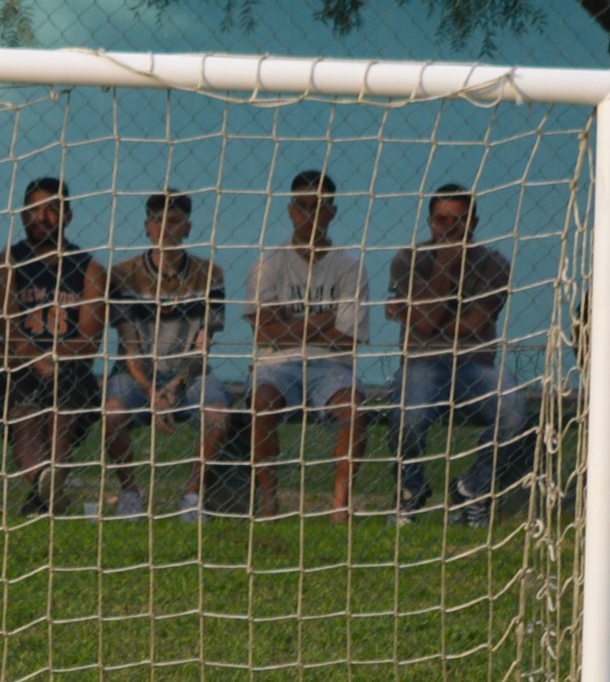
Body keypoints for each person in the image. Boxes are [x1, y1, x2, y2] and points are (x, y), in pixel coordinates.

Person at [387, 184, 526, 527]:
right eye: (440, 220)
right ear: (429, 220)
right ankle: (412, 491)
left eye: (458, 220)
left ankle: (471, 490)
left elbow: (464, 325)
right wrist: (444, 268)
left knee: (515, 410)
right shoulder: (408, 259)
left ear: (474, 222)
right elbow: (429, 323)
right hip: (421, 363)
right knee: (410, 415)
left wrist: (417, 313)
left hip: (474, 366)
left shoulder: (494, 264)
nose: (448, 228)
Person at [246, 169, 369, 519]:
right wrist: (318, 321)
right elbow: (264, 335)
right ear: (290, 210)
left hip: (332, 364)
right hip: (278, 363)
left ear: (332, 211)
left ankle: (340, 503)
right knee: (261, 403)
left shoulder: (349, 267)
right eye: (302, 206)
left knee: (354, 411)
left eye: (319, 207)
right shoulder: (268, 264)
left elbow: (349, 336)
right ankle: (269, 500)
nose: (310, 215)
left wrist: (287, 325)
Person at [100, 192, 231, 519]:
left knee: (218, 413)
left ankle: (192, 498)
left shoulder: (209, 273)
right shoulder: (123, 274)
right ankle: (130, 494)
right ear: (147, 226)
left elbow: (204, 343)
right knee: (113, 413)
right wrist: (150, 390)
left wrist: (175, 385)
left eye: (173, 221)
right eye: (157, 220)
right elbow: (129, 346)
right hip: (136, 375)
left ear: (187, 227)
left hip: (189, 373)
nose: (164, 228)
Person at [0, 178, 107, 513]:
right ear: (23, 214)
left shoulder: (89, 268)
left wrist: (54, 358)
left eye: (52, 209)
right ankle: (46, 486)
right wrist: (36, 358)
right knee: (25, 416)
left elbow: (90, 339)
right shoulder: (7, 262)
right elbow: (7, 327)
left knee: (61, 416)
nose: (42, 216)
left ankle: (42, 494)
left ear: (67, 215)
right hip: (19, 365)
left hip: (69, 367)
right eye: (35, 209)